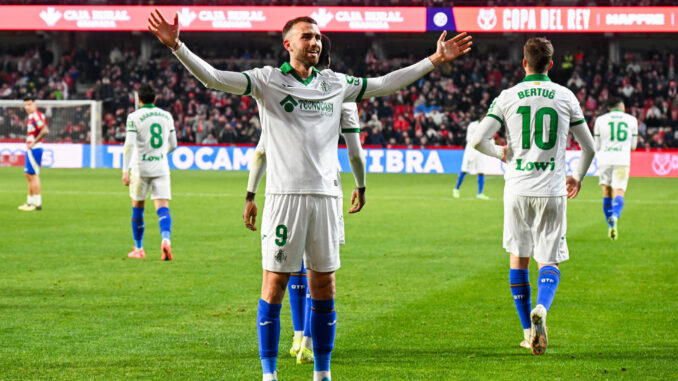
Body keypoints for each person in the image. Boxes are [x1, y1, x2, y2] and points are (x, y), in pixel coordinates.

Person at [148, 10, 471, 380]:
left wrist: (434, 59)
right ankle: (269, 375)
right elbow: (215, 79)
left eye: (318, 37)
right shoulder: (266, 81)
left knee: (324, 284)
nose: (315, 42)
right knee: (274, 284)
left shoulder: (335, 82)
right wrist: (177, 46)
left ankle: (322, 373)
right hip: (285, 198)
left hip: (327, 197)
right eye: (306, 36)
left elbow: (384, 83)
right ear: (288, 44)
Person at [244, 33, 368, 367]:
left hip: (287, 189)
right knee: (322, 272)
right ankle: (310, 341)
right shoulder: (343, 94)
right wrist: (361, 185)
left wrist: (250, 193)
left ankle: (299, 334)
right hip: (326, 188)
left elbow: (261, 149)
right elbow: (355, 152)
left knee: (291, 267)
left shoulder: (291, 88)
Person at [470, 37, 595, 355]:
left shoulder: (507, 97)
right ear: (551, 64)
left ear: (524, 63)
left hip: (517, 190)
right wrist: (577, 177)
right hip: (552, 190)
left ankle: (529, 332)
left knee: (519, 260)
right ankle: (542, 307)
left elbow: (477, 140)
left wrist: (502, 152)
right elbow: (590, 147)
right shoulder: (565, 96)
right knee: (548, 260)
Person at [121, 83, 177, 260]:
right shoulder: (166, 115)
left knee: (138, 207)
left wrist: (125, 170)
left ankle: (139, 249)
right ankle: (166, 240)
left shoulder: (134, 117)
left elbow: (129, 145)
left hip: (140, 168)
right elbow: (174, 144)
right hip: (161, 167)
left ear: (138, 100)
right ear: (155, 99)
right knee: (163, 208)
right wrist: (160, 154)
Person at [593, 97, 638, 240]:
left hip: (604, 160)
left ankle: (611, 226)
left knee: (606, 193)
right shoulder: (632, 120)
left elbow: (597, 145)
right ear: (621, 106)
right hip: (622, 160)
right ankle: (615, 216)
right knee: (619, 192)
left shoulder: (600, 120)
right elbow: (633, 146)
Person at [18, 95, 49, 212]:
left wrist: (33, 142)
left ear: (35, 104)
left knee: (33, 175)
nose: (27, 107)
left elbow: (45, 130)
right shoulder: (31, 116)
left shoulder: (36, 115)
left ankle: (37, 203)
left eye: (29, 104)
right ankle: (30, 202)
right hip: (31, 148)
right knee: (28, 175)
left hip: (35, 148)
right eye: (25, 105)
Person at [453, 117, 490, 200]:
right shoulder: (473, 125)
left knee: (481, 171)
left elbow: (490, 139)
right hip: (471, 151)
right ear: (481, 117)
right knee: (464, 170)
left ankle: (480, 193)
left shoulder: (488, 126)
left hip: (481, 152)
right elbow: (469, 139)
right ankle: (456, 189)